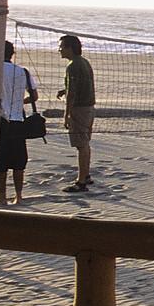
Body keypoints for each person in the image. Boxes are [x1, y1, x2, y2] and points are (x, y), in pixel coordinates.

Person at [0, 41, 38, 204]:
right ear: (12, 54)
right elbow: (34, 96)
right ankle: (19, 196)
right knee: (19, 160)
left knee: (1, 160)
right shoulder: (22, 71)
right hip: (18, 118)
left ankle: (2, 196)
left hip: (0, 119)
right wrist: (20, 101)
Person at [57, 33, 96, 192]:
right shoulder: (84, 62)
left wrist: (66, 114)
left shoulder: (73, 65)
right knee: (85, 142)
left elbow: (73, 93)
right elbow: (79, 85)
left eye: (61, 47)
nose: (59, 50)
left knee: (82, 144)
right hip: (89, 108)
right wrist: (64, 90)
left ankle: (81, 182)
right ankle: (86, 175)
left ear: (69, 48)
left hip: (80, 109)